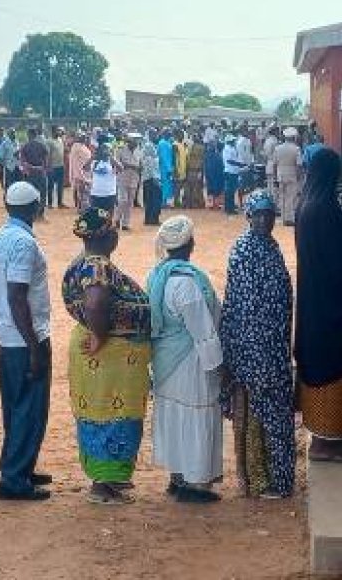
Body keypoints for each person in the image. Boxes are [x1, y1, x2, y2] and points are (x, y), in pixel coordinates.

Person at [62, 208, 152, 504]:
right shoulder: (98, 266)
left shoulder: (81, 263)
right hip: (109, 355)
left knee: (101, 413)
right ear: (107, 236)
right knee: (114, 415)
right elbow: (96, 303)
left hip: (105, 355)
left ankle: (110, 477)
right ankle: (105, 484)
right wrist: (100, 335)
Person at [295, 148, 342, 463]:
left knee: (340, 367)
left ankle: (337, 432)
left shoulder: (308, 204)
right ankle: (324, 443)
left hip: (319, 302)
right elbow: (340, 262)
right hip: (329, 306)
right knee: (332, 367)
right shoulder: (322, 209)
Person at [220, 190, 295, 498]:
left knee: (274, 415)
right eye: (258, 214)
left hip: (274, 349)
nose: (264, 220)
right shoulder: (243, 251)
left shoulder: (271, 247)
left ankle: (277, 479)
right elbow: (238, 306)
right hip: (252, 351)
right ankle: (259, 480)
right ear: (248, 217)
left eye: (269, 214)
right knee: (256, 415)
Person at [148, 216, 224, 503]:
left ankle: (178, 476)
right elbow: (203, 331)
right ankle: (195, 484)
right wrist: (218, 366)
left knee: (174, 416)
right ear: (190, 243)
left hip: (166, 361)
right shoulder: (187, 284)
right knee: (197, 413)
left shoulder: (157, 275)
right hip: (191, 361)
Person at [0, 181, 53, 501]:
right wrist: (34, 345)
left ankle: (19, 465)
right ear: (36, 207)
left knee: (15, 405)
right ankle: (14, 478)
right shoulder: (24, 243)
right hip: (25, 335)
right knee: (30, 407)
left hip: (5, 332)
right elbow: (17, 295)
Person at [20, 128, 50, 221]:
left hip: (30, 173)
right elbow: (46, 159)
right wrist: (43, 168)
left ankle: (32, 214)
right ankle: (40, 214)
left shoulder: (25, 146)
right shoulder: (42, 145)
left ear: (29, 135)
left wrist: (27, 169)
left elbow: (23, 162)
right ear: (36, 135)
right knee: (43, 193)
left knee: (30, 194)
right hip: (40, 172)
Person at [273, 127, 302, 226]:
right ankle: (289, 218)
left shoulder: (278, 148)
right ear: (293, 137)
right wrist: (298, 176)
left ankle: (283, 217)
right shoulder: (296, 149)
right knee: (291, 197)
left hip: (280, 174)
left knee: (282, 196)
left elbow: (274, 164)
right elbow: (298, 165)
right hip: (292, 174)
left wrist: (274, 177)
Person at [115, 133, 142, 230]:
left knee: (130, 202)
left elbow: (140, 163)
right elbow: (117, 163)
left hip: (134, 178)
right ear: (129, 141)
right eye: (135, 140)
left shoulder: (139, 150)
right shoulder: (121, 149)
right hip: (123, 178)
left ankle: (126, 223)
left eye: (137, 140)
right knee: (123, 200)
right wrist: (131, 166)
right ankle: (117, 218)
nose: (136, 142)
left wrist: (140, 169)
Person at [141, 133, 163, 226]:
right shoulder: (151, 159)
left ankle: (148, 219)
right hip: (153, 180)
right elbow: (152, 170)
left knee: (148, 201)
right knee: (156, 200)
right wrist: (156, 180)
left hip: (147, 180)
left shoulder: (145, 158)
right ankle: (154, 219)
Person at [90, 143, 118, 212]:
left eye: (107, 150)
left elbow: (121, 168)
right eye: (103, 150)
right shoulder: (95, 162)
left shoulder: (112, 163)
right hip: (96, 194)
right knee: (97, 217)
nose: (105, 152)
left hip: (110, 194)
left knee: (108, 217)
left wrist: (111, 158)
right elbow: (85, 168)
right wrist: (92, 158)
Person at [222, 135, 246, 215]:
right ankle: (229, 208)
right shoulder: (227, 149)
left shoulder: (232, 148)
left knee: (231, 191)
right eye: (232, 141)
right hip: (230, 172)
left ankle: (230, 207)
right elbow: (229, 161)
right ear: (229, 141)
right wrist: (239, 164)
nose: (234, 142)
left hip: (233, 172)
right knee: (229, 191)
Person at [47, 126, 67, 209]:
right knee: (51, 186)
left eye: (59, 131)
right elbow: (48, 155)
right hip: (52, 167)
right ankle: (50, 203)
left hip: (61, 166)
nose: (59, 132)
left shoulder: (60, 140)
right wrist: (49, 167)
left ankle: (60, 203)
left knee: (60, 186)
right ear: (53, 131)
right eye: (57, 131)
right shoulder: (49, 141)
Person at [184, 134, 206, 209]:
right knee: (197, 187)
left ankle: (190, 203)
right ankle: (196, 203)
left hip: (191, 170)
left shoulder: (189, 148)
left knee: (190, 187)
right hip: (196, 170)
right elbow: (203, 161)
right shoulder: (201, 148)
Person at [204, 138, 225, 210]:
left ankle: (214, 204)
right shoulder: (216, 155)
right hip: (215, 175)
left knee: (212, 189)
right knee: (215, 189)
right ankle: (214, 204)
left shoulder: (209, 155)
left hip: (211, 174)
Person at [262, 127, 280, 206]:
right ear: (274, 132)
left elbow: (264, 155)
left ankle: (268, 204)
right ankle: (274, 205)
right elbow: (278, 155)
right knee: (275, 187)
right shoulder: (275, 141)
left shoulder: (267, 141)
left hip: (268, 164)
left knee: (269, 187)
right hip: (275, 164)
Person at [157, 130, 175, 208]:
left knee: (167, 185)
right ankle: (162, 202)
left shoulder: (167, 142)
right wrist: (169, 169)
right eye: (168, 133)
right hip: (164, 168)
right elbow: (164, 157)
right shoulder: (162, 143)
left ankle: (165, 202)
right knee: (164, 185)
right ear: (164, 134)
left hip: (167, 167)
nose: (169, 135)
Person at [173, 131, 188, 208]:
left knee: (183, 187)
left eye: (182, 135)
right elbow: (174, 158)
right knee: (177, 187)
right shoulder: (175, 145)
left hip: (184, 168)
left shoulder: (184, 145)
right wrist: (175, 169)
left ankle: (182, 202)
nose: (181, 136)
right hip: (178, 169)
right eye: (179, 135)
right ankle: (176, 202)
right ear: (176, 135)